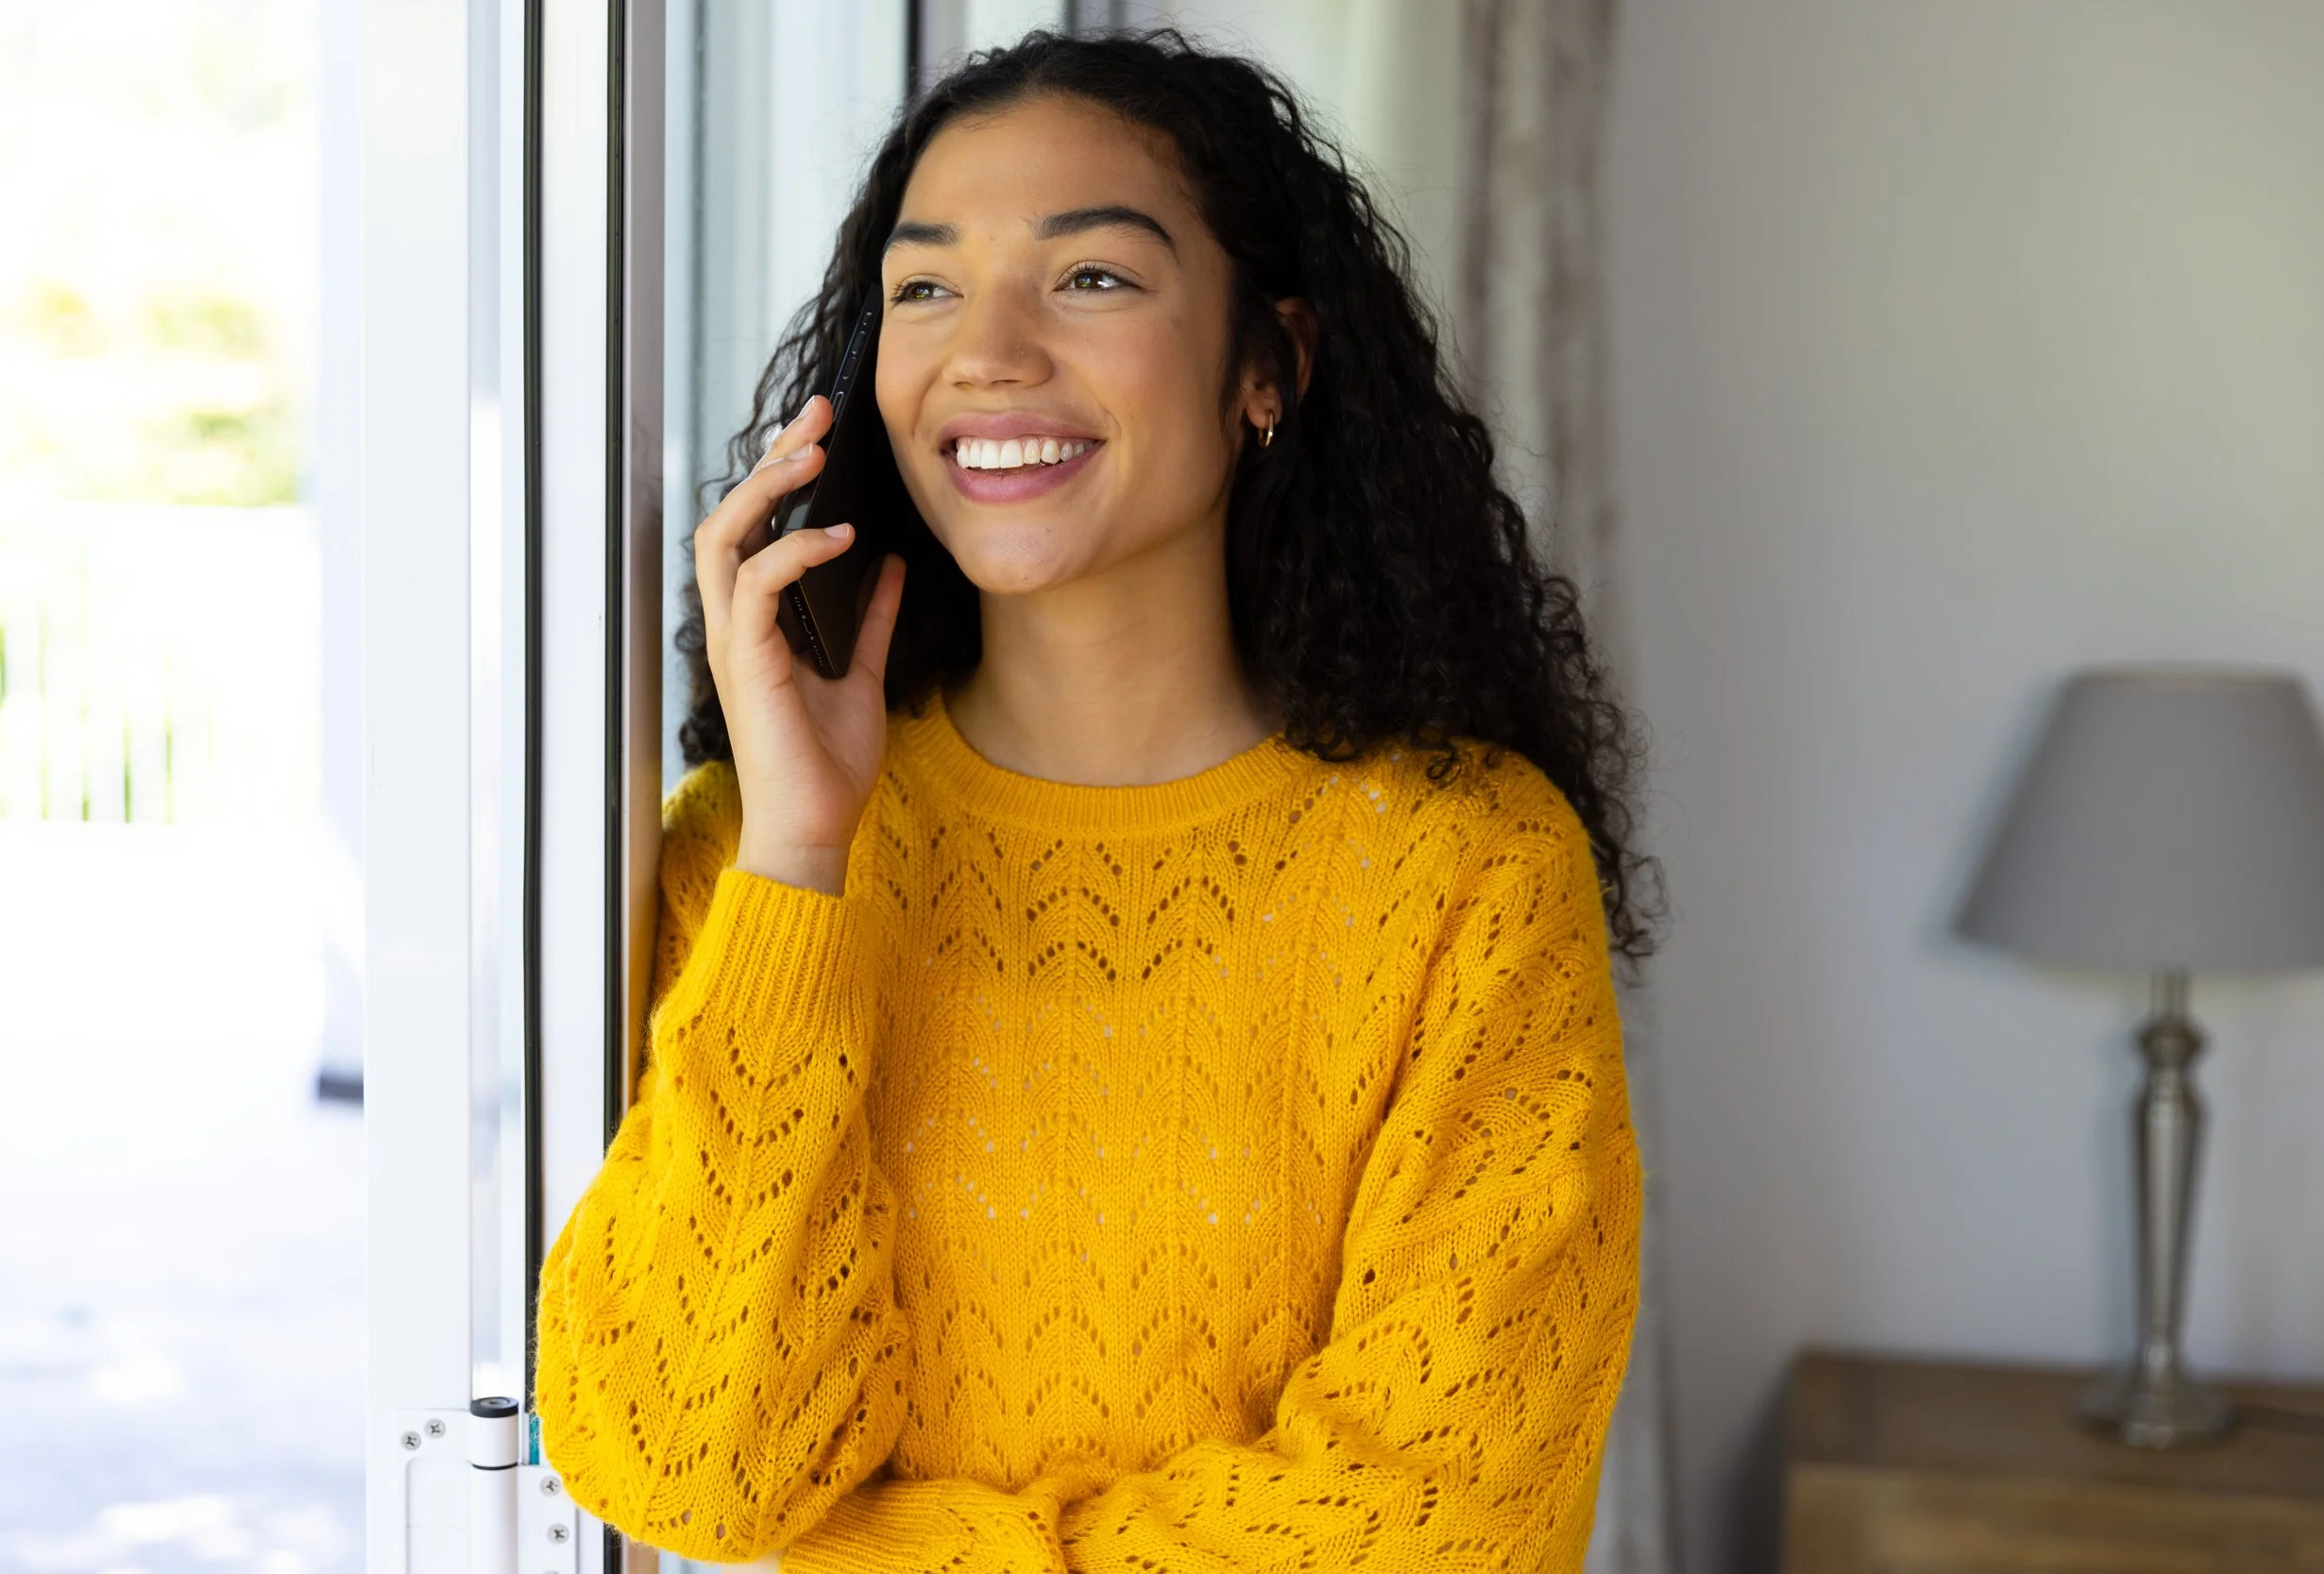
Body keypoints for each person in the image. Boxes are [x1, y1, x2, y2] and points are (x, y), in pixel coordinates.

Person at [534, 26, 1660, 1572]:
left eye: (1092, 279)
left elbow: (1451, 1520)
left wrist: (871, 1548)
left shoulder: (1474, 874)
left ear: (1269, 364)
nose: (985, 348)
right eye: (924, 285)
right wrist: (805, 855)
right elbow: (681, 1468)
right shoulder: (752, 859)